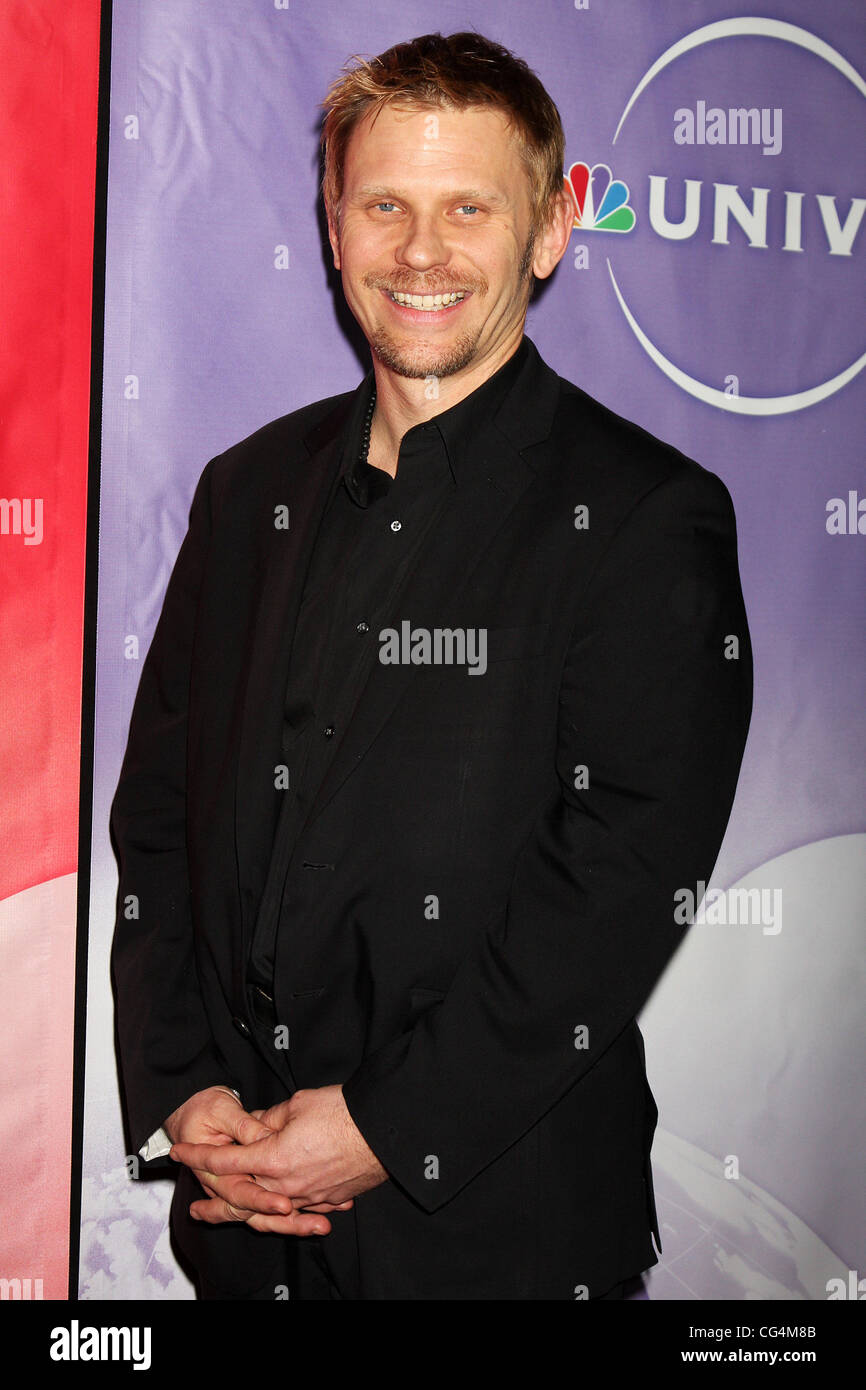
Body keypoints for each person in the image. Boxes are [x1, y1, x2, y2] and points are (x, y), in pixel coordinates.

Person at [110, 30, 753, 1301]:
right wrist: (182, 1089)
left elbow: (618, 885)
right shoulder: (246, 495)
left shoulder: (643, 517)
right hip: (241, 1237)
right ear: (333, 227)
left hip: (496, 1245)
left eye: (469, 207)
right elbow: (160, 822)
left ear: (548, 233)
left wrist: (377, 1131)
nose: (420, 250)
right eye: (383, 205)